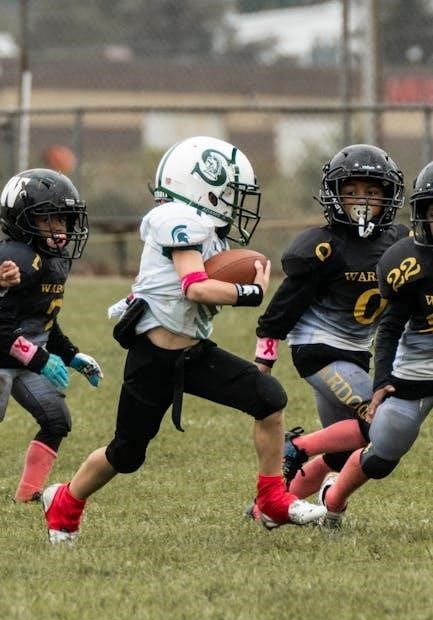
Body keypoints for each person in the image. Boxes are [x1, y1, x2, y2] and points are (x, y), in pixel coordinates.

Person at [41, 135, 326, 544]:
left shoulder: (206, 230)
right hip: (153, 358)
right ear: (202, 186)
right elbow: (195, 286)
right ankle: (64, 501)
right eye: (229, 192)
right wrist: (250, 292)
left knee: (269, 399)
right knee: (126, 453)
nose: (234, 203)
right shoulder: (177, 218)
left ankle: (272, 500)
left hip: (192, 355)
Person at [249, 144, 408, 517]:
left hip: (355, 352)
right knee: (380, 418)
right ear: (335, 195)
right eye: (352, 191)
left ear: (389, 196)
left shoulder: (397, 242)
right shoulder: (323, 246)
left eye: (372, 192)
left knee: (342, 451)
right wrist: (263, 361)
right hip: (317, 349)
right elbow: (282, 308)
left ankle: (264, 510)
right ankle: (297, 447)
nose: (362, 201)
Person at [318, 160, 433, 523]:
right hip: (418, 370)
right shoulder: (409, 261)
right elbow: (390, 327)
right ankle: (334, 497)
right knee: (383, 454)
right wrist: (382, 380)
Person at [0, 168, 103, 502]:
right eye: (48, 219)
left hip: (25, 359)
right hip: (6, 357)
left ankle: (28, 494)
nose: (59, 229)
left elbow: (43, 320)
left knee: (56, 420)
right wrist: (40, 359)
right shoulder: (17, 259)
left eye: (63, 219)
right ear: (21, 218)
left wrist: (71, 355)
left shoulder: (54, 261)